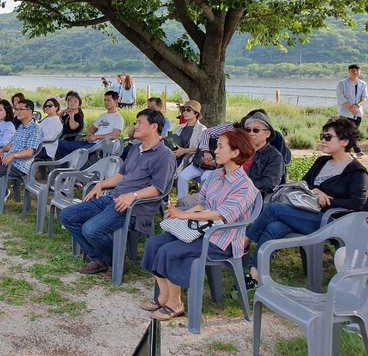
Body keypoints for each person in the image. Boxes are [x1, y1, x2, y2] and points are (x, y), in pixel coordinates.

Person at [140, 129, 259, 320]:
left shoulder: (245, 186)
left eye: (220, 147)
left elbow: (220, 214)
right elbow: (202, 204)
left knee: (169, 250)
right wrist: (180, 214)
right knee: (154, 244)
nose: (215, 151)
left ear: (236, 153)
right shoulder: (216, 175)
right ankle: (164, 295)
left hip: (221, 240)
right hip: (201, 230)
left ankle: (175, 303)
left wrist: (184, 215)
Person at [244, 117, 368, 288]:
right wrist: (316, 192)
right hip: (308, 213)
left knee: (275, 209)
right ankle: (254, 277)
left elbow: (358, 204)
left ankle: (244, 241)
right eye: (322, 136)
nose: (322, 140)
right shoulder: (322, 162)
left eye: (328, 137)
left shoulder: (357, 172)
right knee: (273, 228)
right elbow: (304, 183)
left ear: (345, 141)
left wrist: (328, 201)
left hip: (331, 221)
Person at [59, 109, 175, 280]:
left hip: (134, 207)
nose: (135, 126)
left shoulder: (165, 155)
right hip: (112, 199)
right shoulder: (136, 149)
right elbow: (121, 175)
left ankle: (117, 261)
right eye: (136, 122)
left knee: (90, 229)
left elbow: (157, 189)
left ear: (154, 126)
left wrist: (133, 196)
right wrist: (101, 184)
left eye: (139, 122)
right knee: (67, 215)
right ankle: (100, 259)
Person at [0, 99, 43, 210]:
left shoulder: (34, 130)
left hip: (19, 165)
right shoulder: (21, 127)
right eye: (17, 109)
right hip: (7, 161)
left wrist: (12, 155)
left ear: (29, 111)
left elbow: (30, 151)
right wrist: (2, 151)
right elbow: (11, 143)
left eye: (21, 109)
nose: (17, 112)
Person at [56, 91, 124, 158]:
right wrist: (89, 134)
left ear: (115, 102)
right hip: (91, 141)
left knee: (82, 152)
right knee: (65, 146)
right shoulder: (103, 116)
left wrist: (96, 137)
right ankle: (67, 167)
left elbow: (114, 135)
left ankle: (81, 169)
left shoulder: (118, 118)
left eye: (108, 100)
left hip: (102, 144)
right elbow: (92, 129)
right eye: (105, 100)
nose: (106, 102)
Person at [337, 64, 366, 156]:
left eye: (357, 70)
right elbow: (341, 98)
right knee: (346, 132)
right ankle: (354, 150)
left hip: (358, 112)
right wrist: (351, 107)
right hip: (345, 112)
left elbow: (365, 97)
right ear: (349, 71)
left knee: (354, 132)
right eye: (353, 71)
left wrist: (356, 106)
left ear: (360, 72)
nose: (355, 72)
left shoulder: (363, 84)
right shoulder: (342, 83)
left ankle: (352, 150)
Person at [172, 100, 207, 169]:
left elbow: (202, 148)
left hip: (190, 160)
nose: (185, 112)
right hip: (174, 157)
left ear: (196, 113)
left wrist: (184, 151)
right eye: (183, 110)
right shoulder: (180, 127)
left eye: (188, 110)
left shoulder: (202, 129)